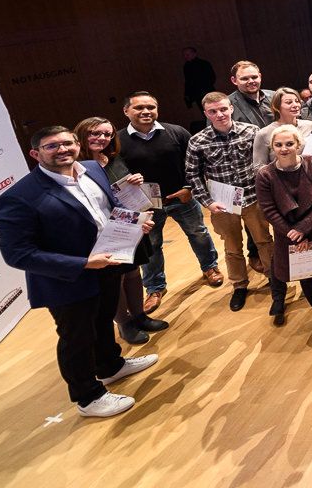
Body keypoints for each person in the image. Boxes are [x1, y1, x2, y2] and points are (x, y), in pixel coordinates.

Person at [0, 126, 159, 418]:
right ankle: (87, 397)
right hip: (67, 280)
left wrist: (135, 222)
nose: (62, 150)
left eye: (67, 143)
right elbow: (18, 254)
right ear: (35, 154)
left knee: (103, 321)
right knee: (77, 338)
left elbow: (110, 207)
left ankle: (110, 366)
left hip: (108, 265)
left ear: (77, 145)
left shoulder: (93, 169)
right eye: (51, 146)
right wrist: (83, 263)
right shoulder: (18, 197)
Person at [116, 92, 222, 315]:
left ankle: (210, 268)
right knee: (151, 246)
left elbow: (195, 163)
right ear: (126, 111)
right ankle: (155, 288)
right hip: (146, 206)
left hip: (181, 197)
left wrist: (189, 188)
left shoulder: (176, 132)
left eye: (151, 107)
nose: (146, 111)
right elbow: (116, 173)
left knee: (199, 233)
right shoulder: (117, 140)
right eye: (139, 108)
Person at [74, 117, 167, 346]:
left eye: (107, 134)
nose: (102, 138)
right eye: (95, 133)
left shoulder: (113, 158)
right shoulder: (77, 165)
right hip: (106, 229)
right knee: (116, 277)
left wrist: (136, 180)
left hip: (130, 222)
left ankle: (139, 316)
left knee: (133, 271)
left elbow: (122, 188)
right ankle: (124, 324)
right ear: (82, 134)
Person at [184, 92, 274, 312]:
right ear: (206, 114)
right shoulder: (198, 141)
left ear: (231, 108)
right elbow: (193, 174)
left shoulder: (251, 131)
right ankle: (239, 285)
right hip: (222, 204)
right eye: (213, 111)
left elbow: (264, 163)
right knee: (232, 247)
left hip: (253, 198)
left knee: (264, 241)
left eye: (223, 109)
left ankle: (275, 279)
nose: (220, 114)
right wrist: (207, 202)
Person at [255, 126, 312, 333]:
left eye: (289, 144)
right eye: (278, 145)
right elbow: (269, 210)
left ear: (298, 144)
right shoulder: (265, 174)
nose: (284, 148)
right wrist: (295, 235)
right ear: (272, 147)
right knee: (307, 276)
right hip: (289, 235)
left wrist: (303, 228)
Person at [253, 88, 312, 167]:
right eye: (289, 102)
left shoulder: (311, 126)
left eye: (297, 101)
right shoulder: (264, 133)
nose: (295, 105)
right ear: (276, 107)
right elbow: (259, 167)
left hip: (310, 173)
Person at [227, 60, 274, 129]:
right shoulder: (227, 104)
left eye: (254, 77)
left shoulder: (275, 96)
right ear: (234, 80)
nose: (251, 81)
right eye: (244, 79)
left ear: (260, 76)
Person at [182, 47, 216, 111]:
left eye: (187, 54)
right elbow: (188, 82)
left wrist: (205, 89)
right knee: (205, 112)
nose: (185, 56)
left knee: (214, 110)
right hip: (197, 94)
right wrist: (187, 94)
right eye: (184, 55)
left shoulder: (204, 63)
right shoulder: (186, 66)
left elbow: (212, 78)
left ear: (194, 54)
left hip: (207, 92)